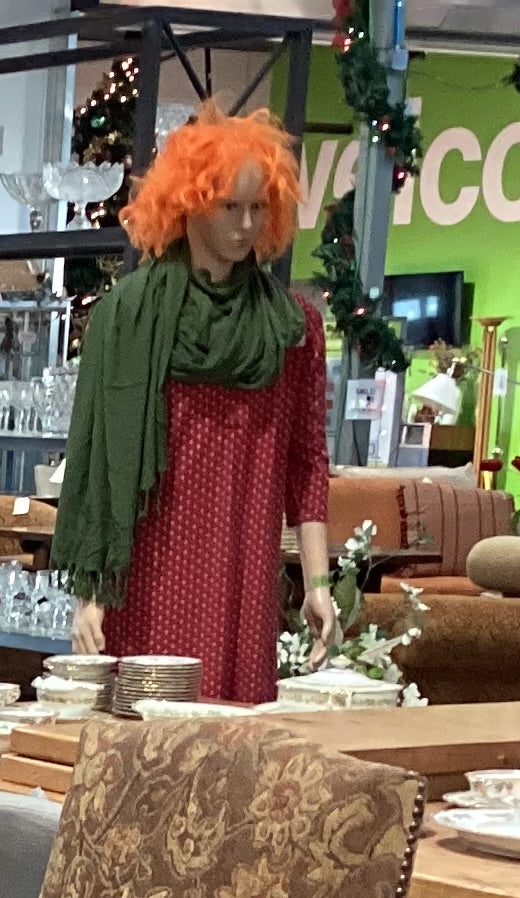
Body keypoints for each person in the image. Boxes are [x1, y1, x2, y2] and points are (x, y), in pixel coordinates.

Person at [53, 104, 337, 701]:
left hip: (245, 575)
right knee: (145, 752)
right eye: (227, 206)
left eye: (258, 208)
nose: (244, 224)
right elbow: (97, 459)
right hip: (151, 573)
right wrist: (89, 593)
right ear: (189, 203)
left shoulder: (292, 327)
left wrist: (318, 581)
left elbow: (307, 460)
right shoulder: (128, 316)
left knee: (231, 758)